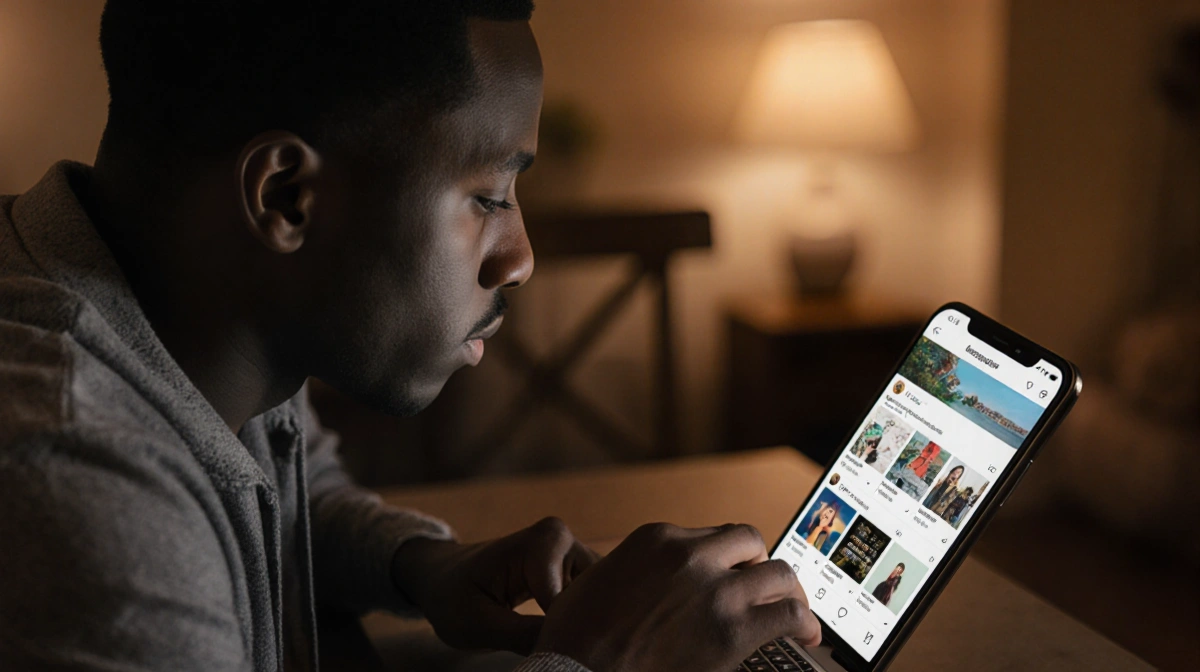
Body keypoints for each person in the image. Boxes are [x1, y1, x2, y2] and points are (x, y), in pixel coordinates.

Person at [0, 2, 821, 671]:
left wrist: (422, 566)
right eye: (490, 196)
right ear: (287, 197)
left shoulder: (193, 319)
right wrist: (604, 662)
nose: (522, 259)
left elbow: (294, 486)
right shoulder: (82, 498)